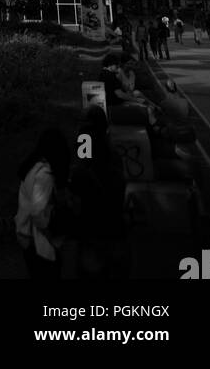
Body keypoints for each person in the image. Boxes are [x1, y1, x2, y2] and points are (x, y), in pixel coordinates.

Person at [70, 106, 128, 278]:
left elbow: (76, 202)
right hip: (116, 232)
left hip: (93, 236)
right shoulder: (114, 157)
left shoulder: (84, 168)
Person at [15, 128, 73, 280]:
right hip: (39, 245)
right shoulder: (44, 176)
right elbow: (39, 215)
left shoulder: (33, 168)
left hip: (29, 239)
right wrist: (54, 240)